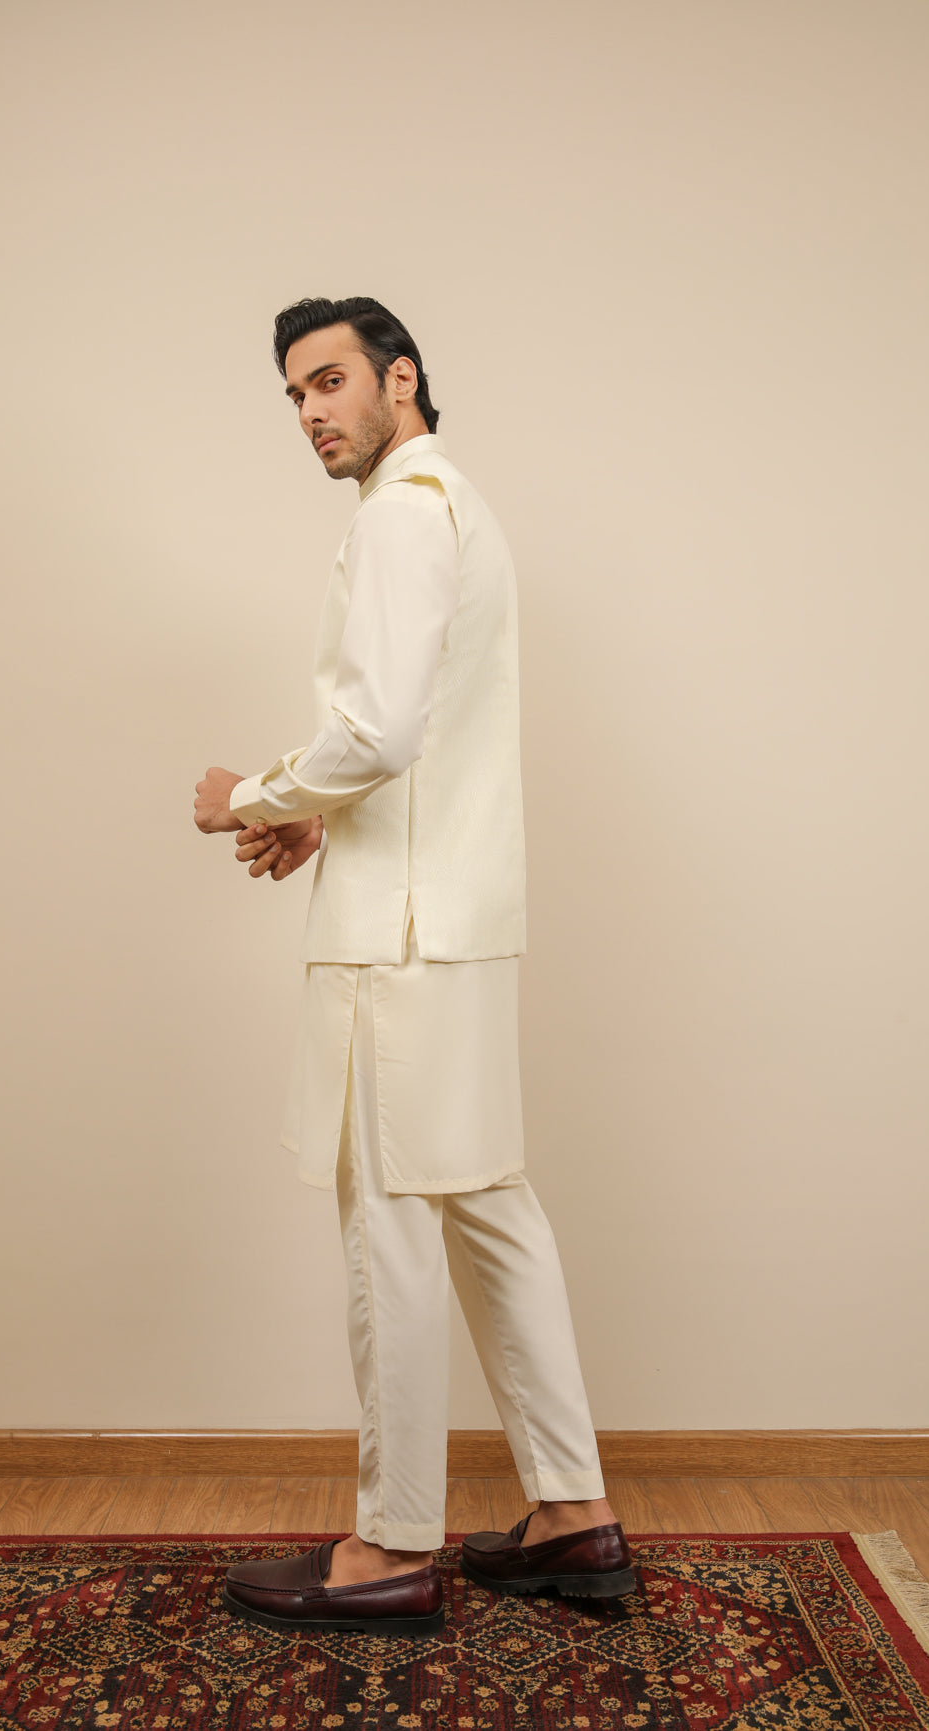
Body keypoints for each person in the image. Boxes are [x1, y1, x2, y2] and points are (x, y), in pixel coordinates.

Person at [193, 297, 637, 1635]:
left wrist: (252, 795)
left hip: (398, 939)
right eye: (295, 395)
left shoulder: (400, 510)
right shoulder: (459, 504)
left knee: (387, 1223)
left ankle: (388, 1545)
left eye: (330, 382)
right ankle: (572, 1512)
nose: (311, 412)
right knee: (487, 1203)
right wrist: (318, 816)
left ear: (402, 379)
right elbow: (421, 737)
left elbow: (380, 728)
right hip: (456, 920)